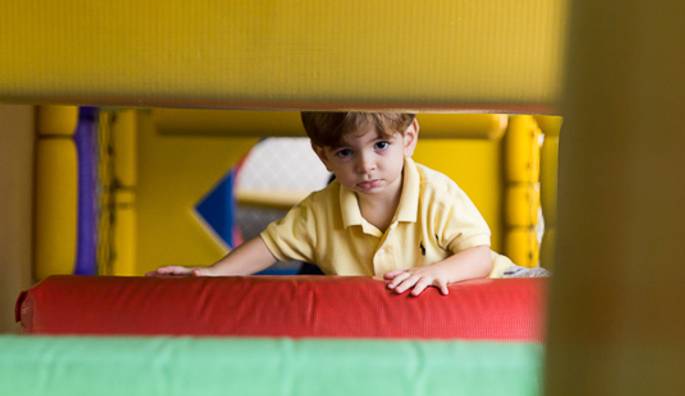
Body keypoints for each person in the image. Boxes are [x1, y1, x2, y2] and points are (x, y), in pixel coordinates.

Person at [149, 112, 516, 296]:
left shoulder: (435, 194)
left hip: (494, 282)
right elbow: (269, 247)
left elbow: (480, 257)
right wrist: (215, 274)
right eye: (345, 152)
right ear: (323, 156)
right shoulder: (319, 213)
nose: (365, 165)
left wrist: (439, 273)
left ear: (408, 138)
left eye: (381, 146)